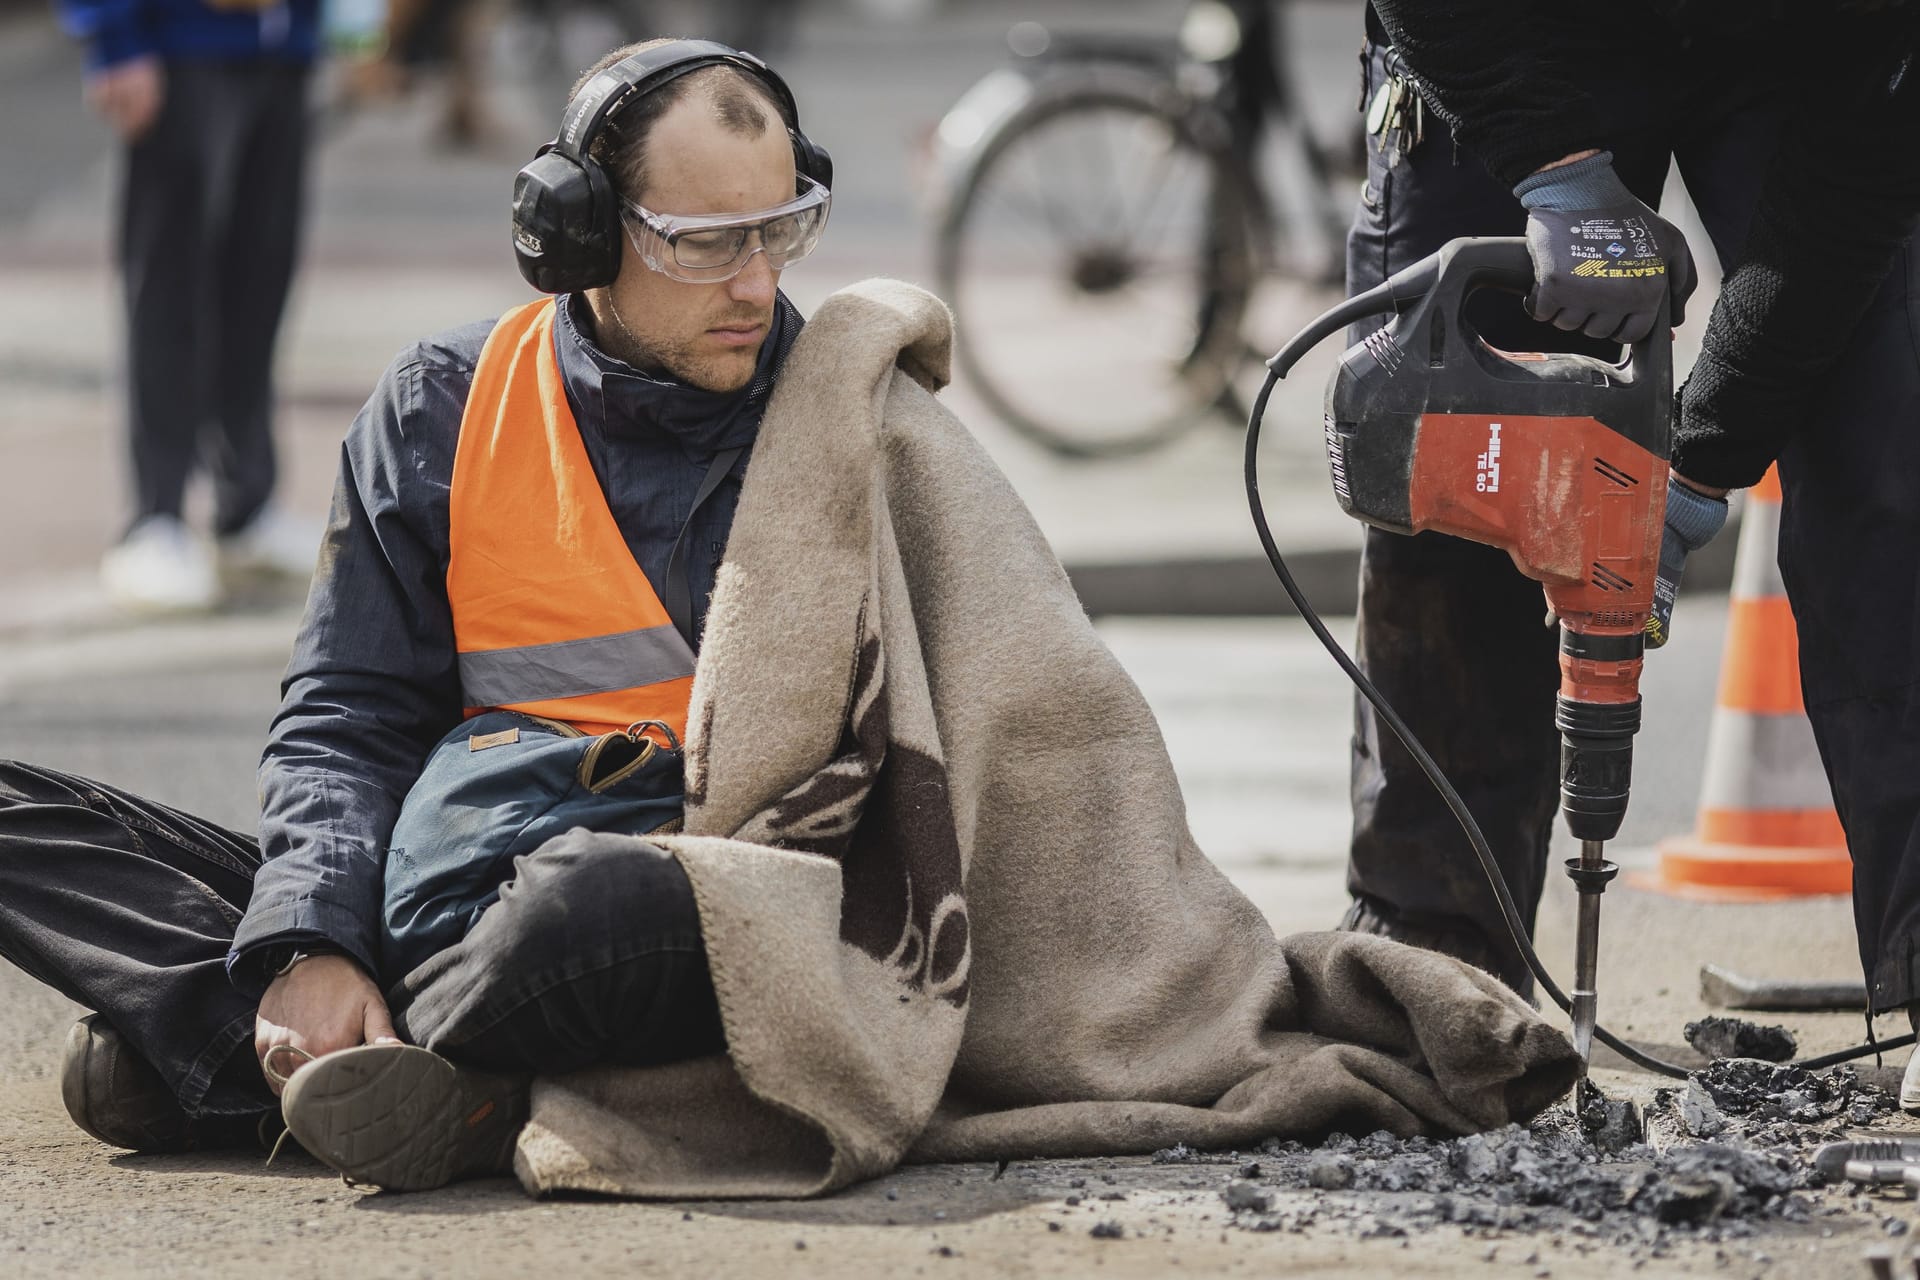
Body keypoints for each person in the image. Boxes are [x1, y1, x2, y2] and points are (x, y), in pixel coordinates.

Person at [0, 38, 1583, 1199]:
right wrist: (309, 936)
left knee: (578, 920)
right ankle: (350, 1054)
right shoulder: (440, 407)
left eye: (781, 230)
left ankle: (265, 1059)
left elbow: (1036, 731)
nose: (755, 286)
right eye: (700, 244)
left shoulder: (855, 422)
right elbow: (344, 716)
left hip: (702, 899)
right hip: (441, 879)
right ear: (576, 238)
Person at [1334, 2, 1920, 1092]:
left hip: (1804, 50)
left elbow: (1860, 161)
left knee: (1884, 447)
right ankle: (1435, 964)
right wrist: (1547, 159)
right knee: (1461, 449)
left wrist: (1696, 467)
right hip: (1506, 27)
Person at [57, 0, 324, 612]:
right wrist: (113, 39)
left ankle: (246, 506)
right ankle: (156, 518)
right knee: (170, 288)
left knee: (262, 278)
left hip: (285, 47)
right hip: (178, 42)